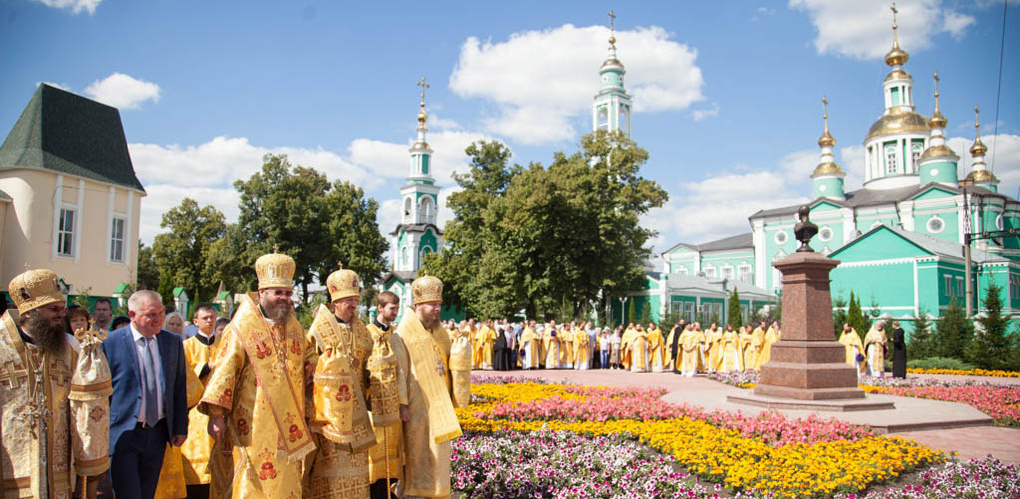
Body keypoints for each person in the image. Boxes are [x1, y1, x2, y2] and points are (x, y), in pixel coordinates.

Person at [200, 252, 318, 498]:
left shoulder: (295, 327)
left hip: (289, 424)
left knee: (287, 482)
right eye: (278, 293)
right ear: (261, 292)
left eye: (287, 294)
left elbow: (308, 358)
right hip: (251, 425)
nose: (284, 299)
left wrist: (319, 363)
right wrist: (217, 416)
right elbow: (224, 371)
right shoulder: (242, 328)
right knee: (251, 483)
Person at [1, 269, 110, 499]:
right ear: (29, 312)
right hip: (11, 461)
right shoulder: (2, 346)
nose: (61, 314)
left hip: (59, 463)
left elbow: (86, 408)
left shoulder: (71, 348)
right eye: (53, 309)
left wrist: (89, 459)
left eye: (62, 308)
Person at [103, 290, 188, 499]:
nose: (158, 319)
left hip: (157, 433)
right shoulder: (110, 343)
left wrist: (179, 427)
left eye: (160, 313)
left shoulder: (171, 342)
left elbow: (178, 386)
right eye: (151, 314)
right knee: (129, 494)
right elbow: (102, 393)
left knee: (147, 493)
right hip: (124, 433)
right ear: (132, 315)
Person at [306, 265, 376, 498]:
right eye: (349, 300)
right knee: (332, 470)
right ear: (335, 302)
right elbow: (308, 368)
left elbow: (369, 364)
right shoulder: (320, 331)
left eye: (356, 300)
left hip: (357, 413)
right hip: (330, 414)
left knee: (357, 471)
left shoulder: (363, 331)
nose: (354, 305)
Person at [394, 276, 462, 498]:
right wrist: (402, 403)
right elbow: (400, 370)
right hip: (417, 404)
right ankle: (414, 492)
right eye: (432, 305)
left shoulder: (441, 332)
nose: (437, 309)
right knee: (418, 451)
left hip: (440, 405)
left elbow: (449, 365)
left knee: (440, 452)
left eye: (439, 305)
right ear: (419, 306)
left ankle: (439, 492)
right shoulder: (403, 332)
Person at [366, 291, 412, 499]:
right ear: (380, 308)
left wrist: (403, 404)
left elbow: (401, 372)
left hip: (393, 407)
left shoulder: (396, 338)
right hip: (372, 407)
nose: (396, 313)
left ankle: (390, 492)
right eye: (392, 309)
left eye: (398, 308)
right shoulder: (366, 334)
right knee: (374, 453)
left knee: (392, 453)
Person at [180, 303, 230, 499]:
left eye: (212, 317)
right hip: (196, 410)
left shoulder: (225, 345)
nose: (209, 321)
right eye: (205, 318)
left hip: (222, 409)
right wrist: (206, 367)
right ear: (196, 322)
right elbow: (183, 376)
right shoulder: (187, 346)